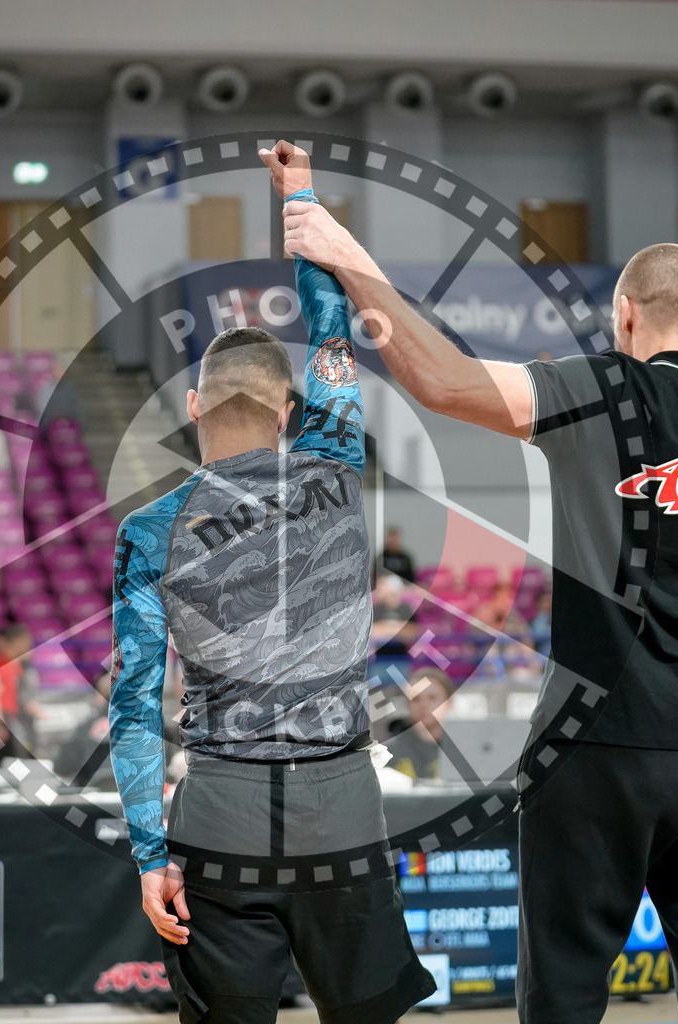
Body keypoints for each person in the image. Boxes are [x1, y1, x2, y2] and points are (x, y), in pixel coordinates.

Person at [285, 156, 678, 1023]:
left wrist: (341, 251)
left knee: (565, 983)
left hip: (598, 744)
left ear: (624, 316)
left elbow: (442, 381)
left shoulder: (602, 388)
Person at [108, 144, 435, 1024]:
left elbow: (133, 703)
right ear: (290, 413)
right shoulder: (335, 465)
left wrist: (150, 854)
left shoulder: (149, 531)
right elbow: (330, 329)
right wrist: (300, 197)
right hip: (344, 807)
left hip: (221, 814)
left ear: (193, 407)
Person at [386, 667, 454, 782]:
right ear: (407, 704)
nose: (424, 705)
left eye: (432, 698)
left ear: (449, 703)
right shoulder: (388, 752)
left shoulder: (465, 749)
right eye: (416, 699)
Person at [370, 571, 420, 658]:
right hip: (379, 657)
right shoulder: (376, 609)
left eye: (382, 585)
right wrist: (398, 628)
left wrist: (385, 627)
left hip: (402, 656)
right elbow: (372, 631)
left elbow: (413, 632)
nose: (378, 590)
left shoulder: (406, 609)